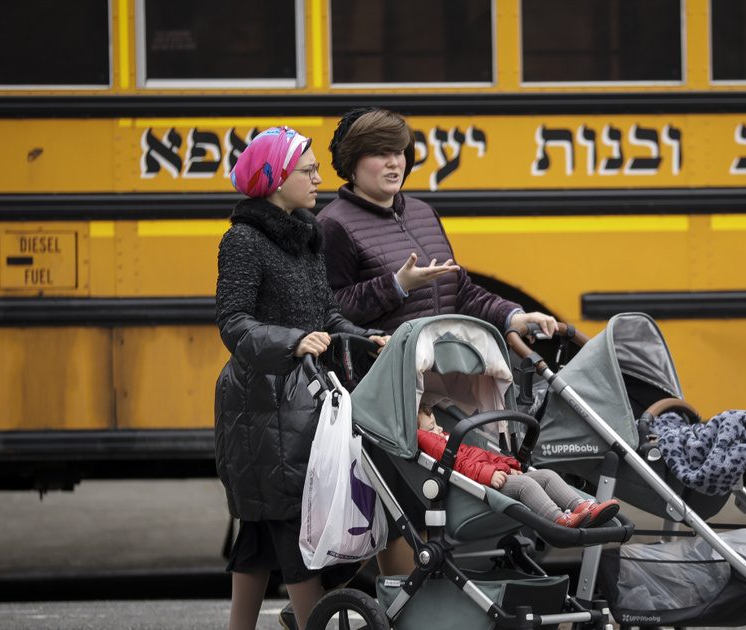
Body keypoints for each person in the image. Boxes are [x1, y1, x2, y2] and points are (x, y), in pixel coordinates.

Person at [316, 106, 560, 574]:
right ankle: (401, 607)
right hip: (383, 397)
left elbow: (461, 291)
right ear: (352, 163)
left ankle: (426, 606)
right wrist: (397, 285)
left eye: (399, 152)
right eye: (379, 154)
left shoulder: (423, 213)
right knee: (401, 507)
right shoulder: (335, 224)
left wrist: (515, 314)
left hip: (440, 389)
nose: (394, 163)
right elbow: (331, 310)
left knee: (444, 502)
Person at [214, 126, 387, 630]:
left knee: (262, 536)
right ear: (274, 178)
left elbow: (327, 316)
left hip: (300, 401)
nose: (318, 178)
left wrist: (366, 336)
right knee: (293, 527)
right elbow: (233, 322)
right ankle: (316, 622)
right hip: (259, 405)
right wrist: (290, 341)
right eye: (307, 170)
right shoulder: (243, 240)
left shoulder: (305, 235)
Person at [417, 400, 620, 528]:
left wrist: (509, 464)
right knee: (527, 485)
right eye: (432, 426)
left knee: (547, 475)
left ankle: (582, 507)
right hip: (480, 489)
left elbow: (480, 455)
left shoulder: (445, 439)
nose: (440, 427)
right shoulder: (432, 443)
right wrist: (490, 475)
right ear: (421, 434)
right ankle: (559, 520)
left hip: (494, 476)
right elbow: (460, 465)